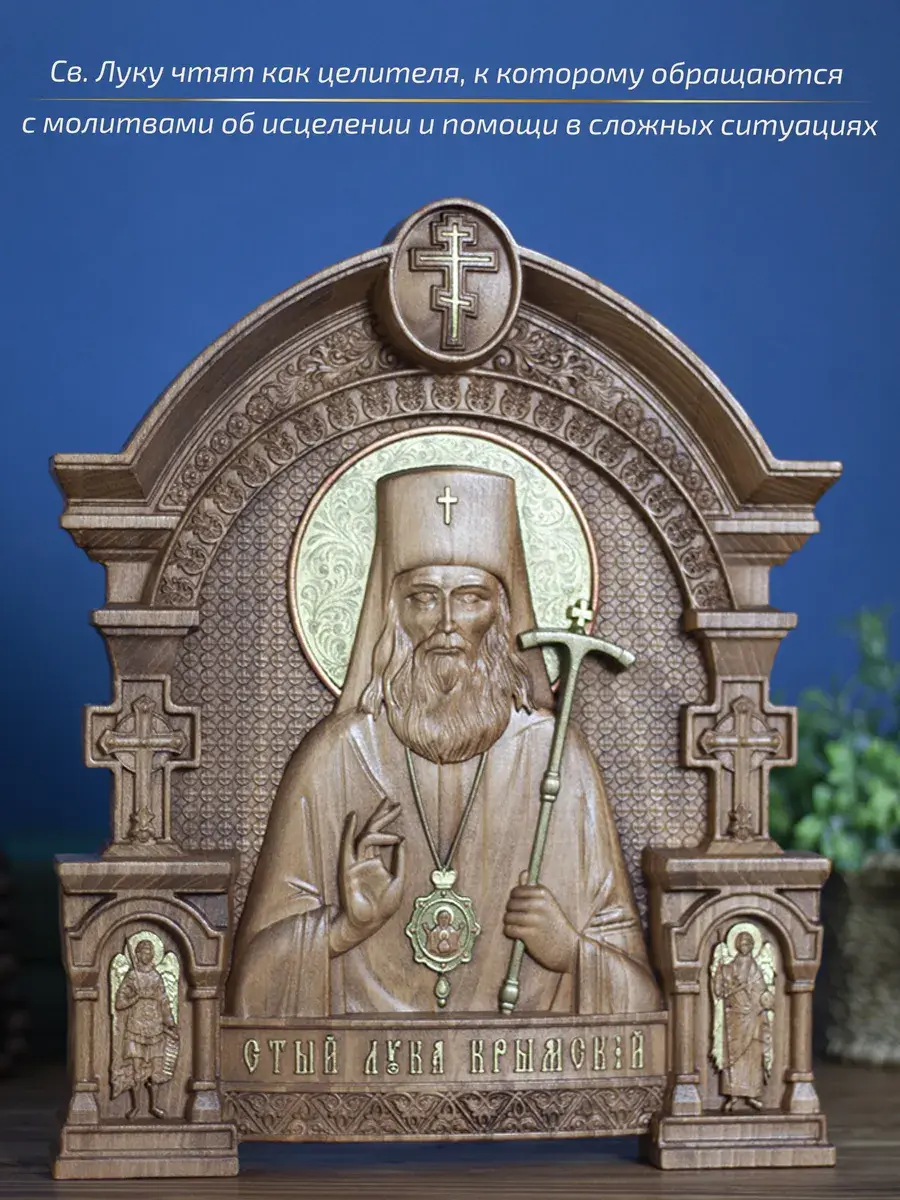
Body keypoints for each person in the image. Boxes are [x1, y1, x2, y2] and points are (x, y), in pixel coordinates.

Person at [227, 467, 661, 1017]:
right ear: (392, 613)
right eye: (424, 598)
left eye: (472, 598)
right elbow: (252, 994)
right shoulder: (335, 757)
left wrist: (570, 951)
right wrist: (341, 930)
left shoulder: (557, 757)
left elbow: (642, 1003)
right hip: (365, 1063)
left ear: (502, 616)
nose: (448, 624)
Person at [111, 939, 177, 1119]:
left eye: (149, 952)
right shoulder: (132, 976)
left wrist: (170, 1022)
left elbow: (164, 1001)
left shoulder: (156, 977)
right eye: (143, 952)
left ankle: (154, 1106)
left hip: (155, 1027)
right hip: (136, 1027)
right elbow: (119, 1003)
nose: (146, 955)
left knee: (156, 1072)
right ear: (138, 954)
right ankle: (136, 1107)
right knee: (137, 1071)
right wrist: (136, 997)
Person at [713, 932, 774, 1111]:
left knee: (753, 1056)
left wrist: (763, 1002)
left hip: (753, 1018)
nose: (745, 945)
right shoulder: (727, 968)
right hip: (734, 1019)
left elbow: (762, 993)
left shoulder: (755, 969)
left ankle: (752, 1095)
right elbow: (719, 992)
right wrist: (721, 977)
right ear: (737, 945)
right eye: (742, 942)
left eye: (748, 943)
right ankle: (732, 1095)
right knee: (732, 1056)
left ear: (753, 945)